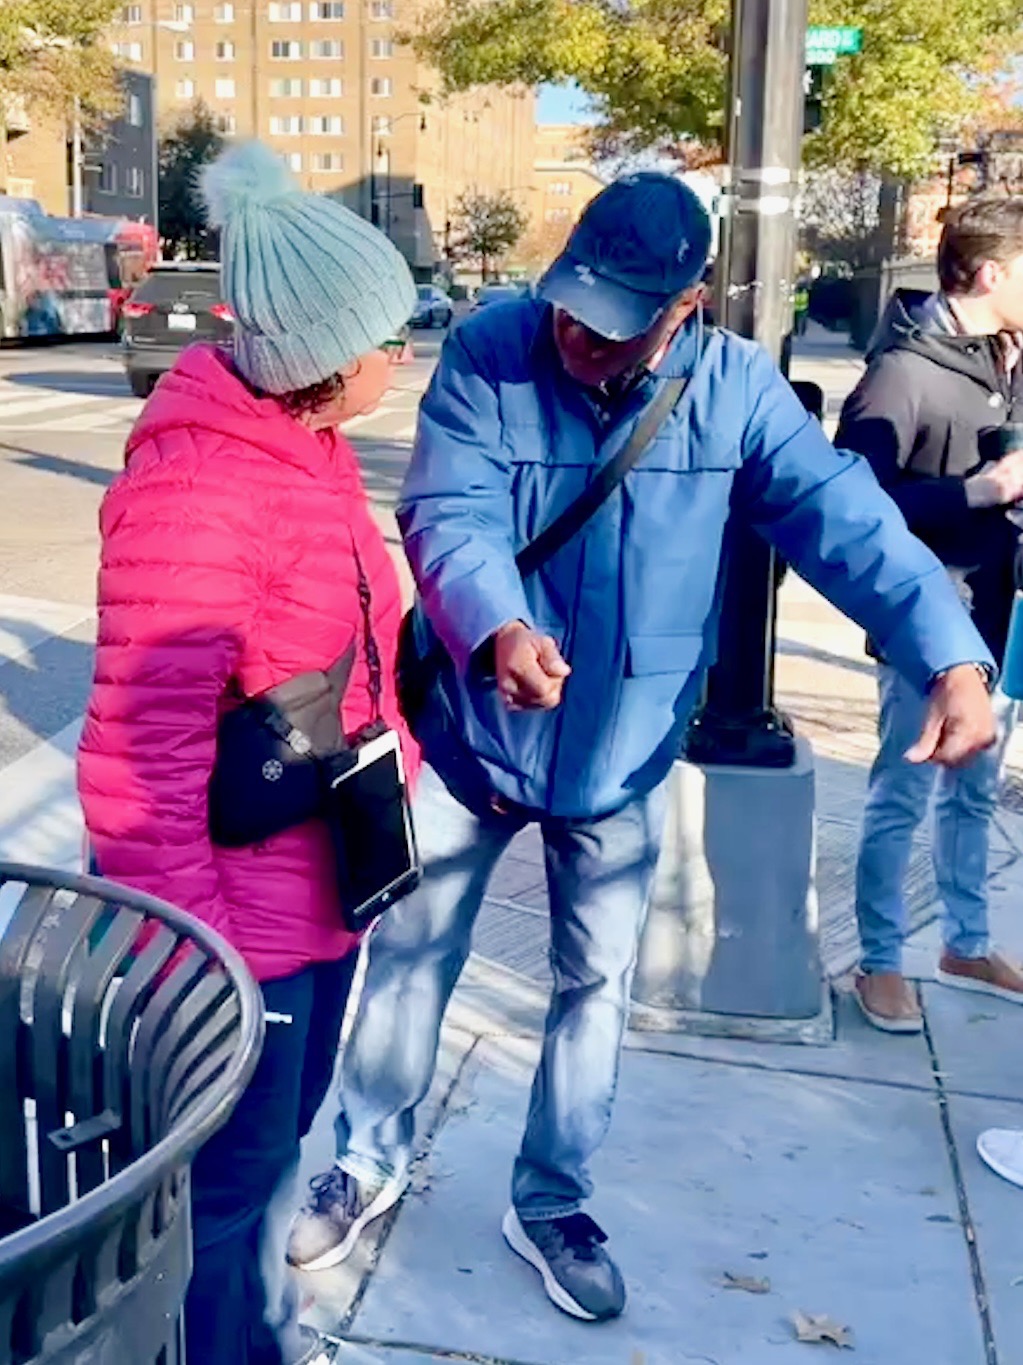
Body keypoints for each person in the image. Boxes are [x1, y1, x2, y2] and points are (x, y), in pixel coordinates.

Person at [288, 172, 996, 1323]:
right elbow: (448, 511)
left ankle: (553, 1198)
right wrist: (498, 623)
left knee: (596, 984)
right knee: (412, 957)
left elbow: (846, 520)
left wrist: (950, 656)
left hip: (621, 756)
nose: (577, 333)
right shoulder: (491, 352)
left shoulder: (734, 394)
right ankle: (364, 1160)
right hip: (476, 733)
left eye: (615, 319)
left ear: (688, 305)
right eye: (572, 302)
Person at [77, 141, 418, 1365]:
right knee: (222, 1205)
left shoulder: (306, 459)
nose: (405, 354)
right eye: (389, 334)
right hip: (242, 935)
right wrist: (203, 955)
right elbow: (136, 754)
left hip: (318, 897)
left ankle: (261, 1341)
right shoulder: (202, 492)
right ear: (323, 364)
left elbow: (340, 659)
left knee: (274, 1160)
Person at [836, 197, 1023, 1035]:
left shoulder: (1003, 360)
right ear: (990, 274)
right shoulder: (901, 373)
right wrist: (976, 492)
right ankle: (878, 959)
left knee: (973, 793)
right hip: (923, 624)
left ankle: (965, 941)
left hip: (993, 615)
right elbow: (851, 503)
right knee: (901, 796)